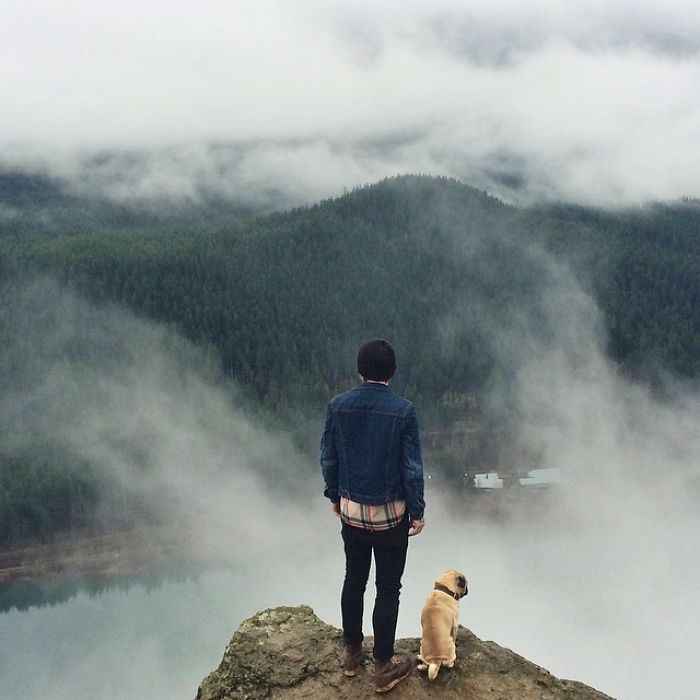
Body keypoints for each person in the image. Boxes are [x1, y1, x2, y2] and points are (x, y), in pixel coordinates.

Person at [320, 339, 426, 693]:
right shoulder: (404, 410)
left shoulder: (339, 406)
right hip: (390, 515)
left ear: (359, 370)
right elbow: (411, 467)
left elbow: (329, 457)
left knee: (354, 578)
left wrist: (334, 495)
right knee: (388, 588)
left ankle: (352, 654)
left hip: (351, 513)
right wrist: (418, 510)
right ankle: (383, 666)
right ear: (391, 373)